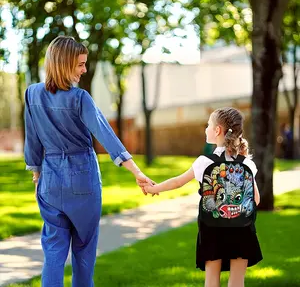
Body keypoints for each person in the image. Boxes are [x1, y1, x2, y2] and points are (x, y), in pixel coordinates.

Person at [24, 35, 153, 287]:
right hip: (83, 179)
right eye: (80, 64)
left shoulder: (32, 94)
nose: (84, 70)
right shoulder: (79, 98)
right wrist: (136, 171)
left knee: (53, 252)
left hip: (49, 181)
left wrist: (37, 176)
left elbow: (32, 140)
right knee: (83, 251)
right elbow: (106, 135)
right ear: (64, 64)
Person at [144, 107, 262, 287]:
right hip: (242, 229)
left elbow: (177, 182)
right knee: (237, 281)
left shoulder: (204, 162)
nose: (206, 129)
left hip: (212, 230)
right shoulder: (247, 163)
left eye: (208, 125)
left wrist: (154, 189)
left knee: (211, 281)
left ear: (217, 131)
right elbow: (256, 199)